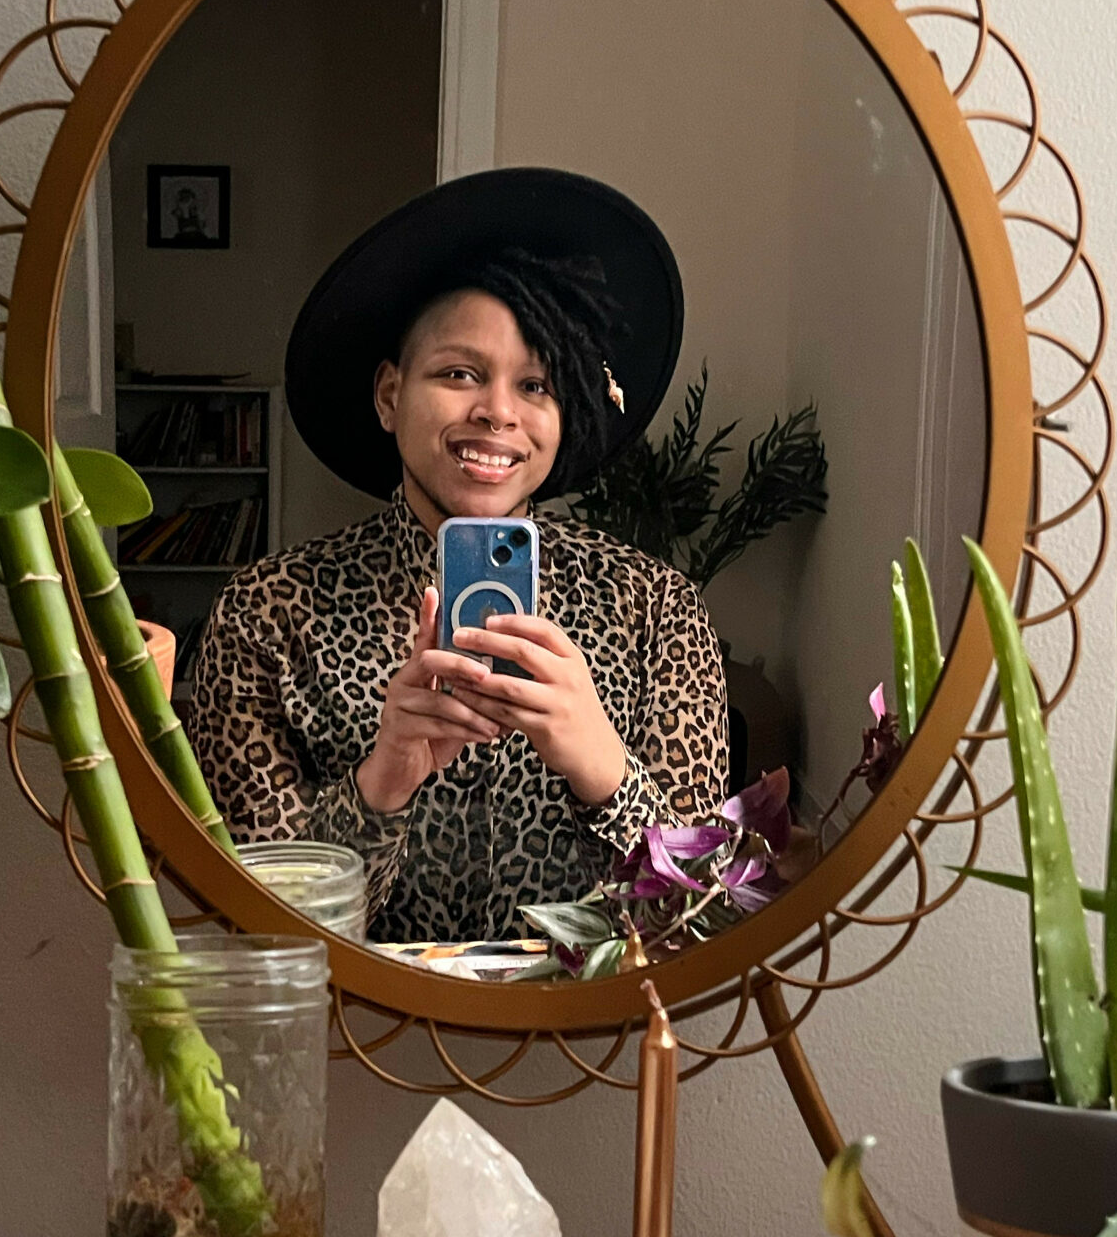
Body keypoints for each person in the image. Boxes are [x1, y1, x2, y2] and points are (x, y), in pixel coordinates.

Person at [182, 169, 728, 942]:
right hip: (357, 1044)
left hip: (585, 1050)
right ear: (388, 395)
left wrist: (604, 770)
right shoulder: (268, 615)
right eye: (460, 373)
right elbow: (267, 932)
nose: (498, 411)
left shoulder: (658, 614)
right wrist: (382, 782)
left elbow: (694, 925)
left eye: (536, 385)